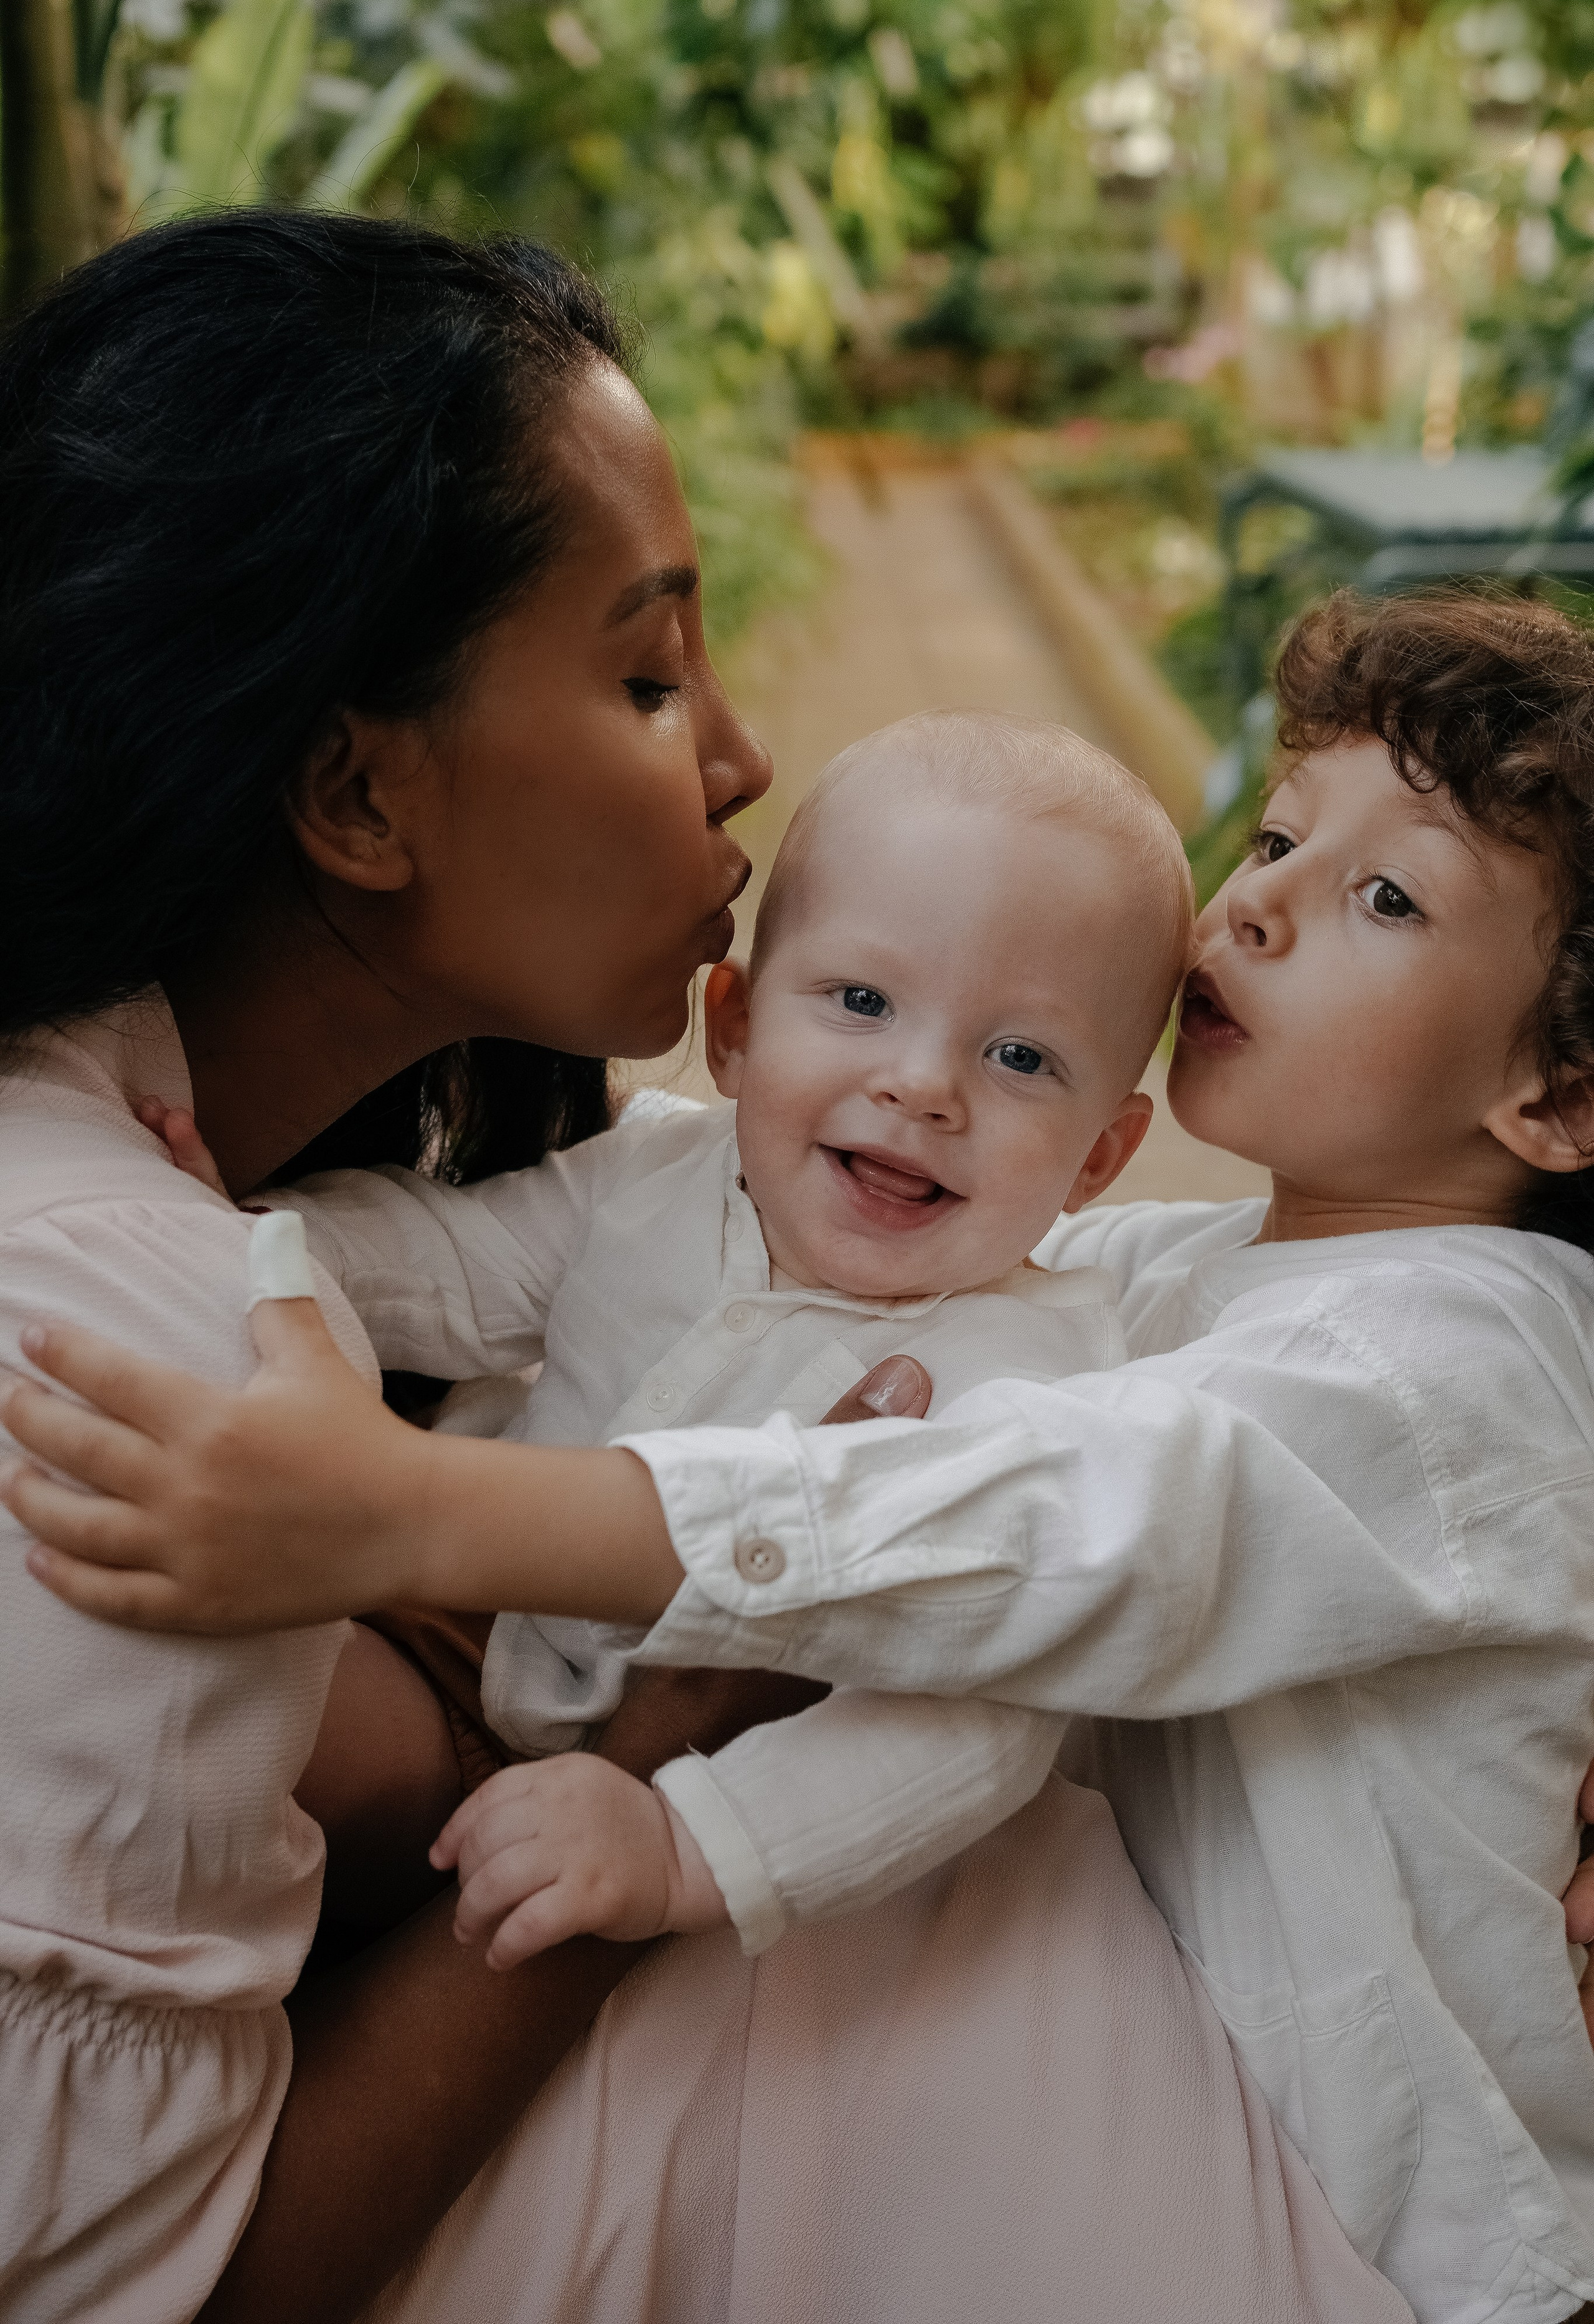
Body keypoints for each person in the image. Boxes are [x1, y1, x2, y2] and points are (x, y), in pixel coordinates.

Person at [0, 208, 1408, 2324]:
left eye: (1018, 1063)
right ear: (353, 791)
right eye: (653, 673)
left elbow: (1226, 1430)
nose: (745, 759)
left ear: (1105, 1139)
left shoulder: (228, 1232)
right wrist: (670, 1742)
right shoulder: (135, 1334)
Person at [147, 710, 1192, 1969]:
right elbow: (445, 1263)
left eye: (1017, 1055)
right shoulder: (659, 1169)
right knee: (173, 1605)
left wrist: (684, 1844)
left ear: (1102, 1155)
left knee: (216, 1712)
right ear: (738, 1026)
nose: (923, 1086)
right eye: (861, 1000)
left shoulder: (1027, 1387)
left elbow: (970, 1730)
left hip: (565, 1762)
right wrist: (224, 1231)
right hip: (420, 1597)